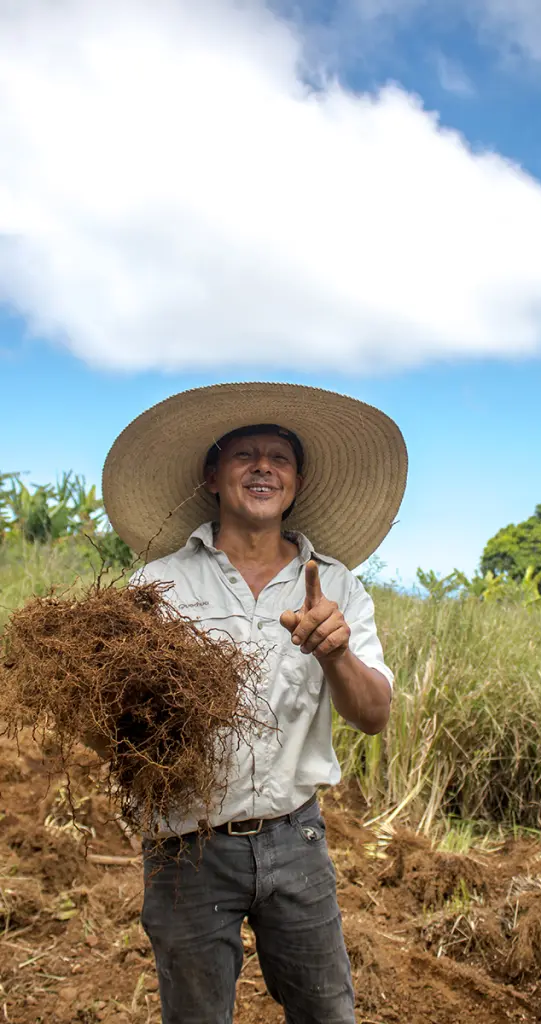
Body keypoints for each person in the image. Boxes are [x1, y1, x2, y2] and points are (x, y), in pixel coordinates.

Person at [101, 382, 407, 1024]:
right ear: (213, 475)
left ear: (296, 481)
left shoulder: (337, 586)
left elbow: (375, 715)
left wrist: (335, 653)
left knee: (327, 1012)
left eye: (280, 457)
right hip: (186, 846)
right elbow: (112, 720)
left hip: (296, 837)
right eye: (245, 455)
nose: (263, 466)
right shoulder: (158, 585)